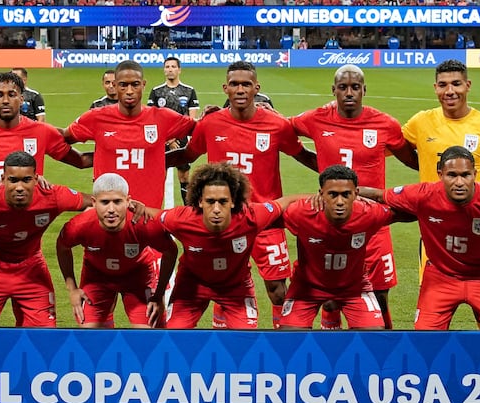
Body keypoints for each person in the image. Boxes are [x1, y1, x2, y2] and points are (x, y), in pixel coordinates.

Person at [168, 61, 318, 329]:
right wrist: (148, 159)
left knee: (278, 290)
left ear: (256, 88)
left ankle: (280, 342)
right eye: (234, 84)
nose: (240, 89)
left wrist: (337, 176)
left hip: (266, 218)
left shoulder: (276, 125)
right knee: (221, 279)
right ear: (225, 88)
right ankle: (225, 337)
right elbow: (187, 156)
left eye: (246, 84)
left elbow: (302, 156)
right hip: (222, 220)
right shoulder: (210, 124)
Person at [358, 146, 480, 330]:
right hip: (440, 276)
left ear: (475, 174)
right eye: (452, 175)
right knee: (425, 340)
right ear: (440, 174)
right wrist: (343, 192)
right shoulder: (423, 195)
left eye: (465, 175)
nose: (459, 182)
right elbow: (379, 195)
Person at [291, 64, 418, 329]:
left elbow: (414, 161)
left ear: (364, 90)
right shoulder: (316, 118)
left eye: (355, 87)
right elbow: (283, 130)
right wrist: (317, 165)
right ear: (333, 90)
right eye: (343, 87)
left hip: (374, 221)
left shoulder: (386, 124)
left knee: (381, 294)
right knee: (329, 297)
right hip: (331, 220)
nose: (349, 92)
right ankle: (333, 349)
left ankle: (383, 351)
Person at [402, 59, 480, 274]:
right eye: (443, 85)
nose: (450, 91)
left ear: (468, 85)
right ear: (435, 87)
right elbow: (381, 147)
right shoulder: (420, 122)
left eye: (456, 84)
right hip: (435, 230)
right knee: (432, 303)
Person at [154, 162, 304, 329]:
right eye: (210, 201)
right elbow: (151, 216)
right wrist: (132, 207)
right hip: (192, 286)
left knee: (244, 340)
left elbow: (284, 202)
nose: (216, 208)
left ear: (233, 201)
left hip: (236, 289)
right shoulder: (182, 219)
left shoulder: (251, 216)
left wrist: (321, 198)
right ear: (200, 201)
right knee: (175, 336)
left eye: (223, 201)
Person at [0, 151, 92, 327]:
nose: (19, 187)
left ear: (36, 179)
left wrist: (131, 205)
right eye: (13, 180)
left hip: (31, 267)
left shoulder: (53, 196)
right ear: (3, 179)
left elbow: (95, 203)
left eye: (26, 180)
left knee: (44, 336)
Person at [280, 165, 408, 330]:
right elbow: (266, 217)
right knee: (287, 340)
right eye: (332, 194)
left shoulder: (369, 213)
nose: (339, 202)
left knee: (373, 338)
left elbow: (409, 212)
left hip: (354, 288)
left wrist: (377, 194)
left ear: (356, 193)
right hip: (306, 288)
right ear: (321, 194)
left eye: (346, 194)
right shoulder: (301, 213)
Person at [63, 60, 195, 210]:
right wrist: (84, 160)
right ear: (115, 85)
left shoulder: (162, 118)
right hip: (110, 217)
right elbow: (61, 138)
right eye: (123, 85)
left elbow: (200, 129)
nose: (130, 91)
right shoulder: (95, 118)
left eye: (135, 84)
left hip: (148, 218)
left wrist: (169, 158)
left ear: (143, 85)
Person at [56, 173, 178, 328]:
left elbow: (170, 251)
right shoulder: (78, 226)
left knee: (148, 334)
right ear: (94, 202)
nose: (111, 209)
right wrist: (72, 288)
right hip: (97, 278)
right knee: (89, 334)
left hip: (138, 277)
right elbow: (62, 246)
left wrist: (159, 293)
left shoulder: (144, 224)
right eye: (105, 202)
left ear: (128, 201)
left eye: (117, 202)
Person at [0, 71, 90, 183]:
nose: (6, 100)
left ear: (21, 99)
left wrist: (112, 147)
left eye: (11, 94)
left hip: (29, 214)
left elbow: (81, 161)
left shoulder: (41, 132)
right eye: (0, 95)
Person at [147, 56, 200, 209]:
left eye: (173, 66)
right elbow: (152, 118)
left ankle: (189, 210)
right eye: (167, 66)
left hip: (182, 141)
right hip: (161, 141)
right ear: (164, 70)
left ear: (179, 70)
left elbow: (191, 120)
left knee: (184, 175)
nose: (170, 69)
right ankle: (153, 209)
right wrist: (169, 140)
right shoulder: (156, 92)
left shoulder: (189, 91)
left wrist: (178, 138)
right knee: (158, 177)